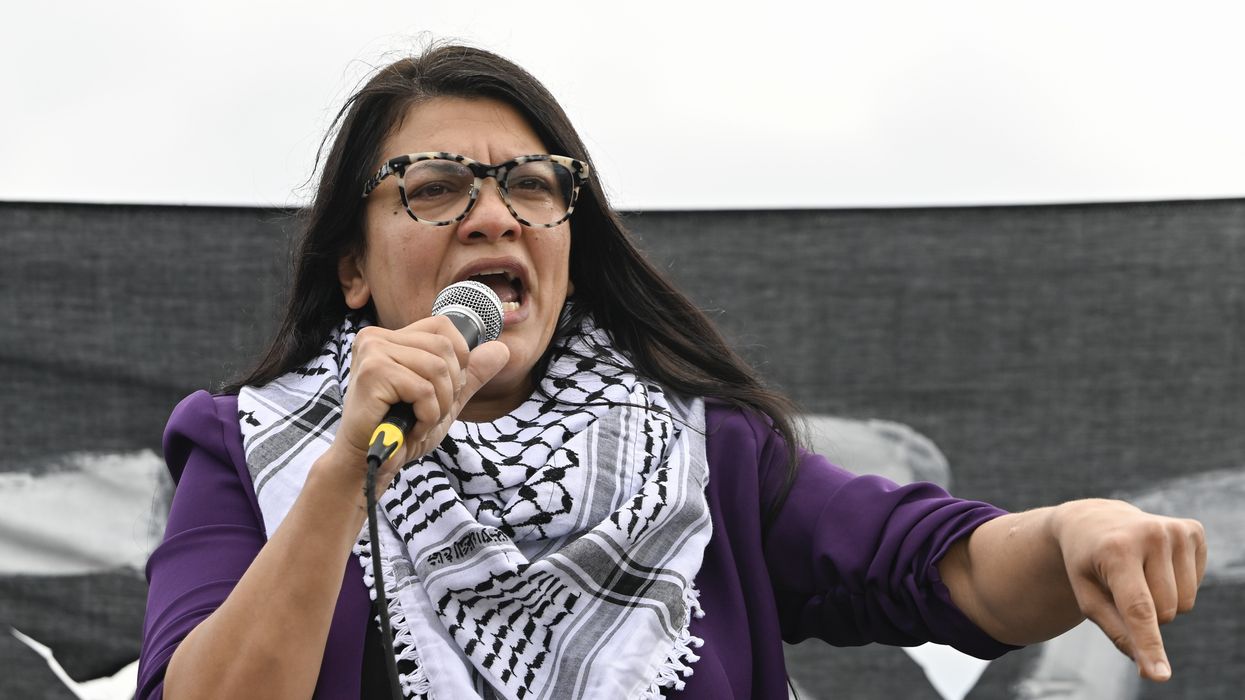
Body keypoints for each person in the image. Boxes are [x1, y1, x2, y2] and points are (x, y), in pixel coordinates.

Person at [137, 43, 1207, 700]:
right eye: (435, 185)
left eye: (532, 184)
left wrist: (1067, 536)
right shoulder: (249, 448)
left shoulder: (700, 451)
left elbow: (932, 566)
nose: (495, 214)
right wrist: (343, 476)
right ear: (353, 268)